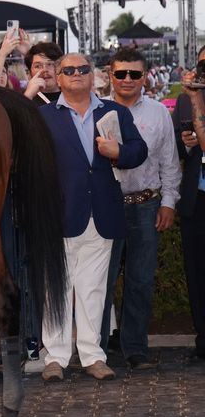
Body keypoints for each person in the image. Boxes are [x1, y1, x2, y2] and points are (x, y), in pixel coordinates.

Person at [37, 53, 147, 383]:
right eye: (67, 70)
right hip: (59, 215)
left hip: (102, 213)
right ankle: (54, 357)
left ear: (93, 76)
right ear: (58, 78)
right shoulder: (43, 117)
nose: (76, 74)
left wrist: (119, 153)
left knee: (94, 289)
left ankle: (92, 356)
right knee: (55, 289)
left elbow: (139, 151)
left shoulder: (114, 112)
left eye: (82, 69)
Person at [98, 47, 180, 370]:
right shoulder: (97, 109)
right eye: (121, 73)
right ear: (110, 75)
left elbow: (169, 162)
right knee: (99, 282)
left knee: (141, 280)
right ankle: (97, 351)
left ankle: (135, 349)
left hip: (147, 204)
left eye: (134, 73)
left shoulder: (159, 112)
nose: (127, 79)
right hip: (107, 206)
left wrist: (169, 202)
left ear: (145, 76)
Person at [174, 47, 205, 360]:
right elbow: (176, 149)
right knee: (197, 272)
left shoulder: (192, 99)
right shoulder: (185, 99)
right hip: (197, 197)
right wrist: (185, 144)